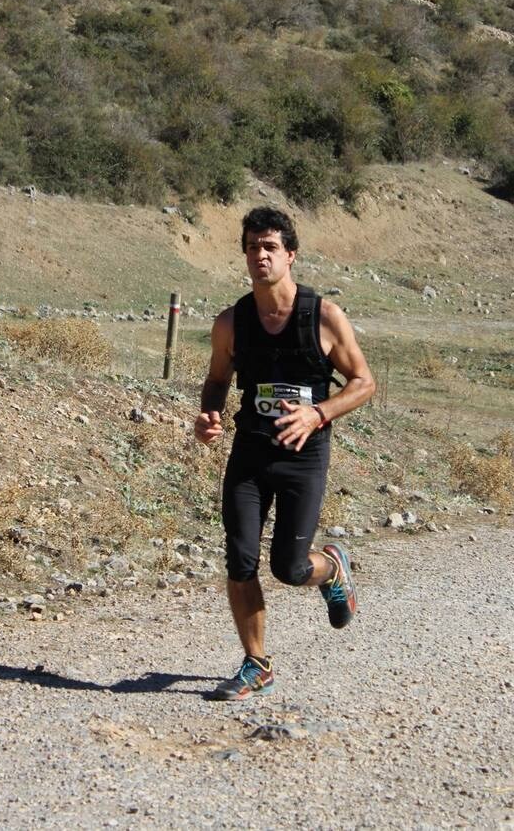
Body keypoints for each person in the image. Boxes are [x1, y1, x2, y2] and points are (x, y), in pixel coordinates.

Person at [195, 206, 376, 700]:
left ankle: (331, 568)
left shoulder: (323, 317)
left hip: (303, 457)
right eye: (253, 247)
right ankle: (257, 664)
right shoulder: (231, 322)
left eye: (270, 247)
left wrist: (318, 414)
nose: (260, 256)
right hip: (250, 454)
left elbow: (363, 383)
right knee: (239, 557)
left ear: (290, 255)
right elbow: (217, 381)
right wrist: (209, 415)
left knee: (289, 568)